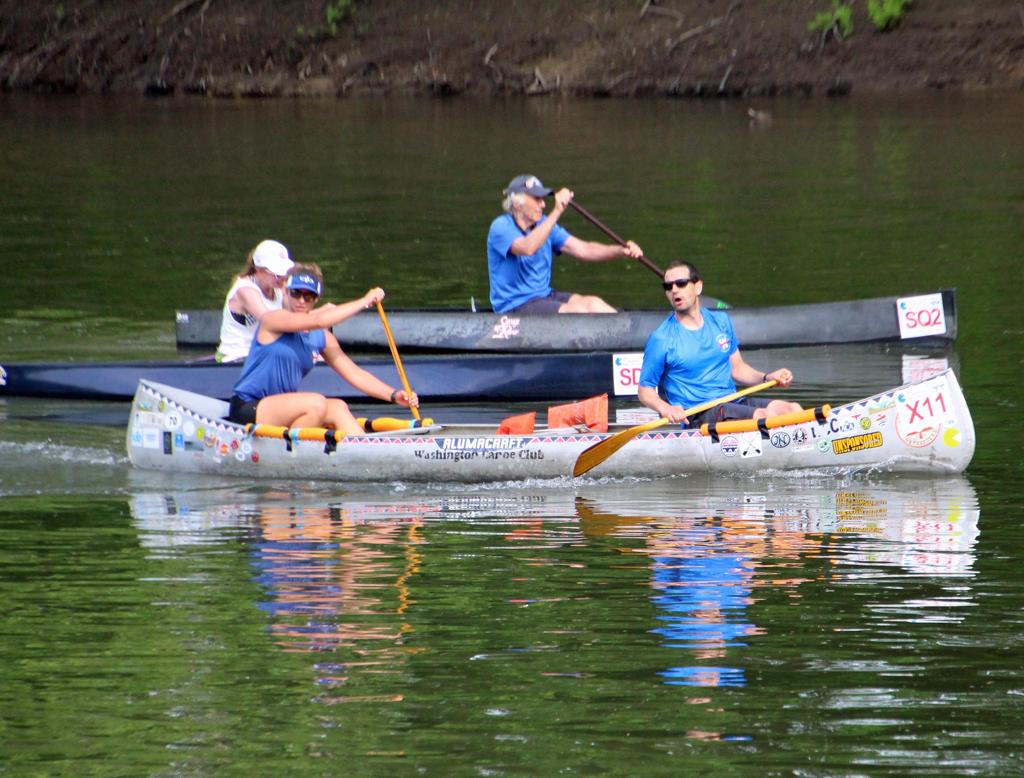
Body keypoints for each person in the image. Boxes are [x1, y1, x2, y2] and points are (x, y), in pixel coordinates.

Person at [227, 264, 418, 434]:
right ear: (285, 291)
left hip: (282, 407)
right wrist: (365, 301)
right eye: (296, 293)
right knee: (316, 403)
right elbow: (319, 320)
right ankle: (293, 454)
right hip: (248, 407)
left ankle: (367, 453)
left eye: (308, 296)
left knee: (337, 407)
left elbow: (355, 374)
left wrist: (394, 395)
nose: (301, 301)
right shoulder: (273, 319)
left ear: (316, 298)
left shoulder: (322, 337)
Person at [638, 260, 802, 427]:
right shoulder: (661, 339)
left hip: (732, 401)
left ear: (698, 287)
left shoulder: (721, 321)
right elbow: (644, 391)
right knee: (764, 416)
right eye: (668, 286)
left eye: (681, 283)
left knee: (793, 409)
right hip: (697, 414)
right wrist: (666, 408)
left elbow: (738, 369)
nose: (674, 290)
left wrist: (767, 378)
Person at [487, 174, 645, 314]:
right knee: (577, 312)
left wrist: (620, 250)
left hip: (544, 295)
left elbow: (584, 249)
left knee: (593, 303)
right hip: (514, 306)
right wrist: (557, 211)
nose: (543, 205)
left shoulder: (545, 224)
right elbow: (527, 248)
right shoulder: (501, 227)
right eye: (537, 199)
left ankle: (630, 335)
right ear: (517, 203)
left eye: (543, 199)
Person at [216, 239, 295, 363]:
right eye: (277, 274)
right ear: (259, 269)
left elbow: (294, 317)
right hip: (236, 358)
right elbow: (270, 322)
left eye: (284, 273)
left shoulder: (279, 288)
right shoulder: (245, 290)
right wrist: (317, 319)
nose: (282, 278)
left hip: (263, 355)